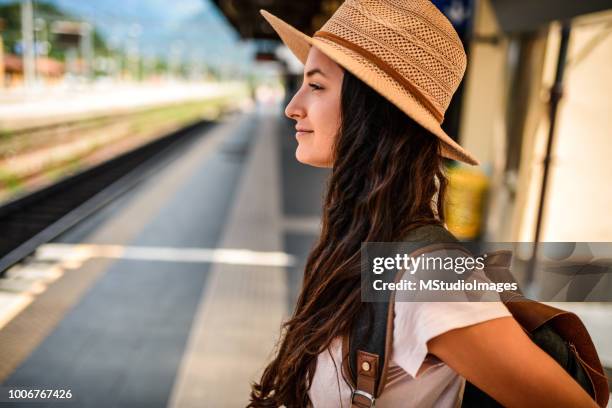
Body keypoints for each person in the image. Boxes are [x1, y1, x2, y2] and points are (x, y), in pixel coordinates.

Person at [249, 1, 599, 407]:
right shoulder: (361, 238)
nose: (293, 107)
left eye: (316, 85)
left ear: (374, 113)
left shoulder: (432, 278)